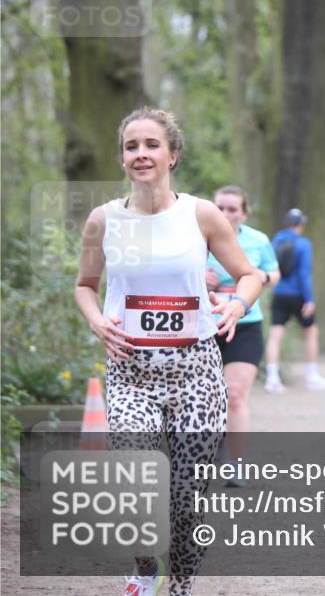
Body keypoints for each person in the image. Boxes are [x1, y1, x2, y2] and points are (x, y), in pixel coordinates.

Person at [74, 106, 262, 596]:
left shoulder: (201, 214)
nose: (141, 154)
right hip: (131, 372)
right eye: (131, 146)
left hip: (195, 373)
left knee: (186, 501)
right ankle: (145, 567)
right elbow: (85, 285)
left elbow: (250, 274)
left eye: (151, 145)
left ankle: (180, 586)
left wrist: (237, 304)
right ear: (122, 158)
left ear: (172, 155)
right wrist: (97, 320)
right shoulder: (103, 220)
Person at [205, 186, 280, 486]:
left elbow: (275, 274)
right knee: (208, 398)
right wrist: (199, 277)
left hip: (245, 324)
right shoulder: (197, 238)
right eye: (220, 208)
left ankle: (236, 465)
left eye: (232, 209)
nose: (225, 214)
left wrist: (260, 277)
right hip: (204, 326)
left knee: (235, 394)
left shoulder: (258, 240)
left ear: (244, 213)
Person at [264, 208, 325, 391]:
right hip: (298, 295)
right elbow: (303, 273)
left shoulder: (275, 241)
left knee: (275, 334)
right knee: (311, 332)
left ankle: (272, 377)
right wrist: (309, 299)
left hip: (279, 293)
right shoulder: (304, 244)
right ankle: (312, 376)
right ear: (299, 225)